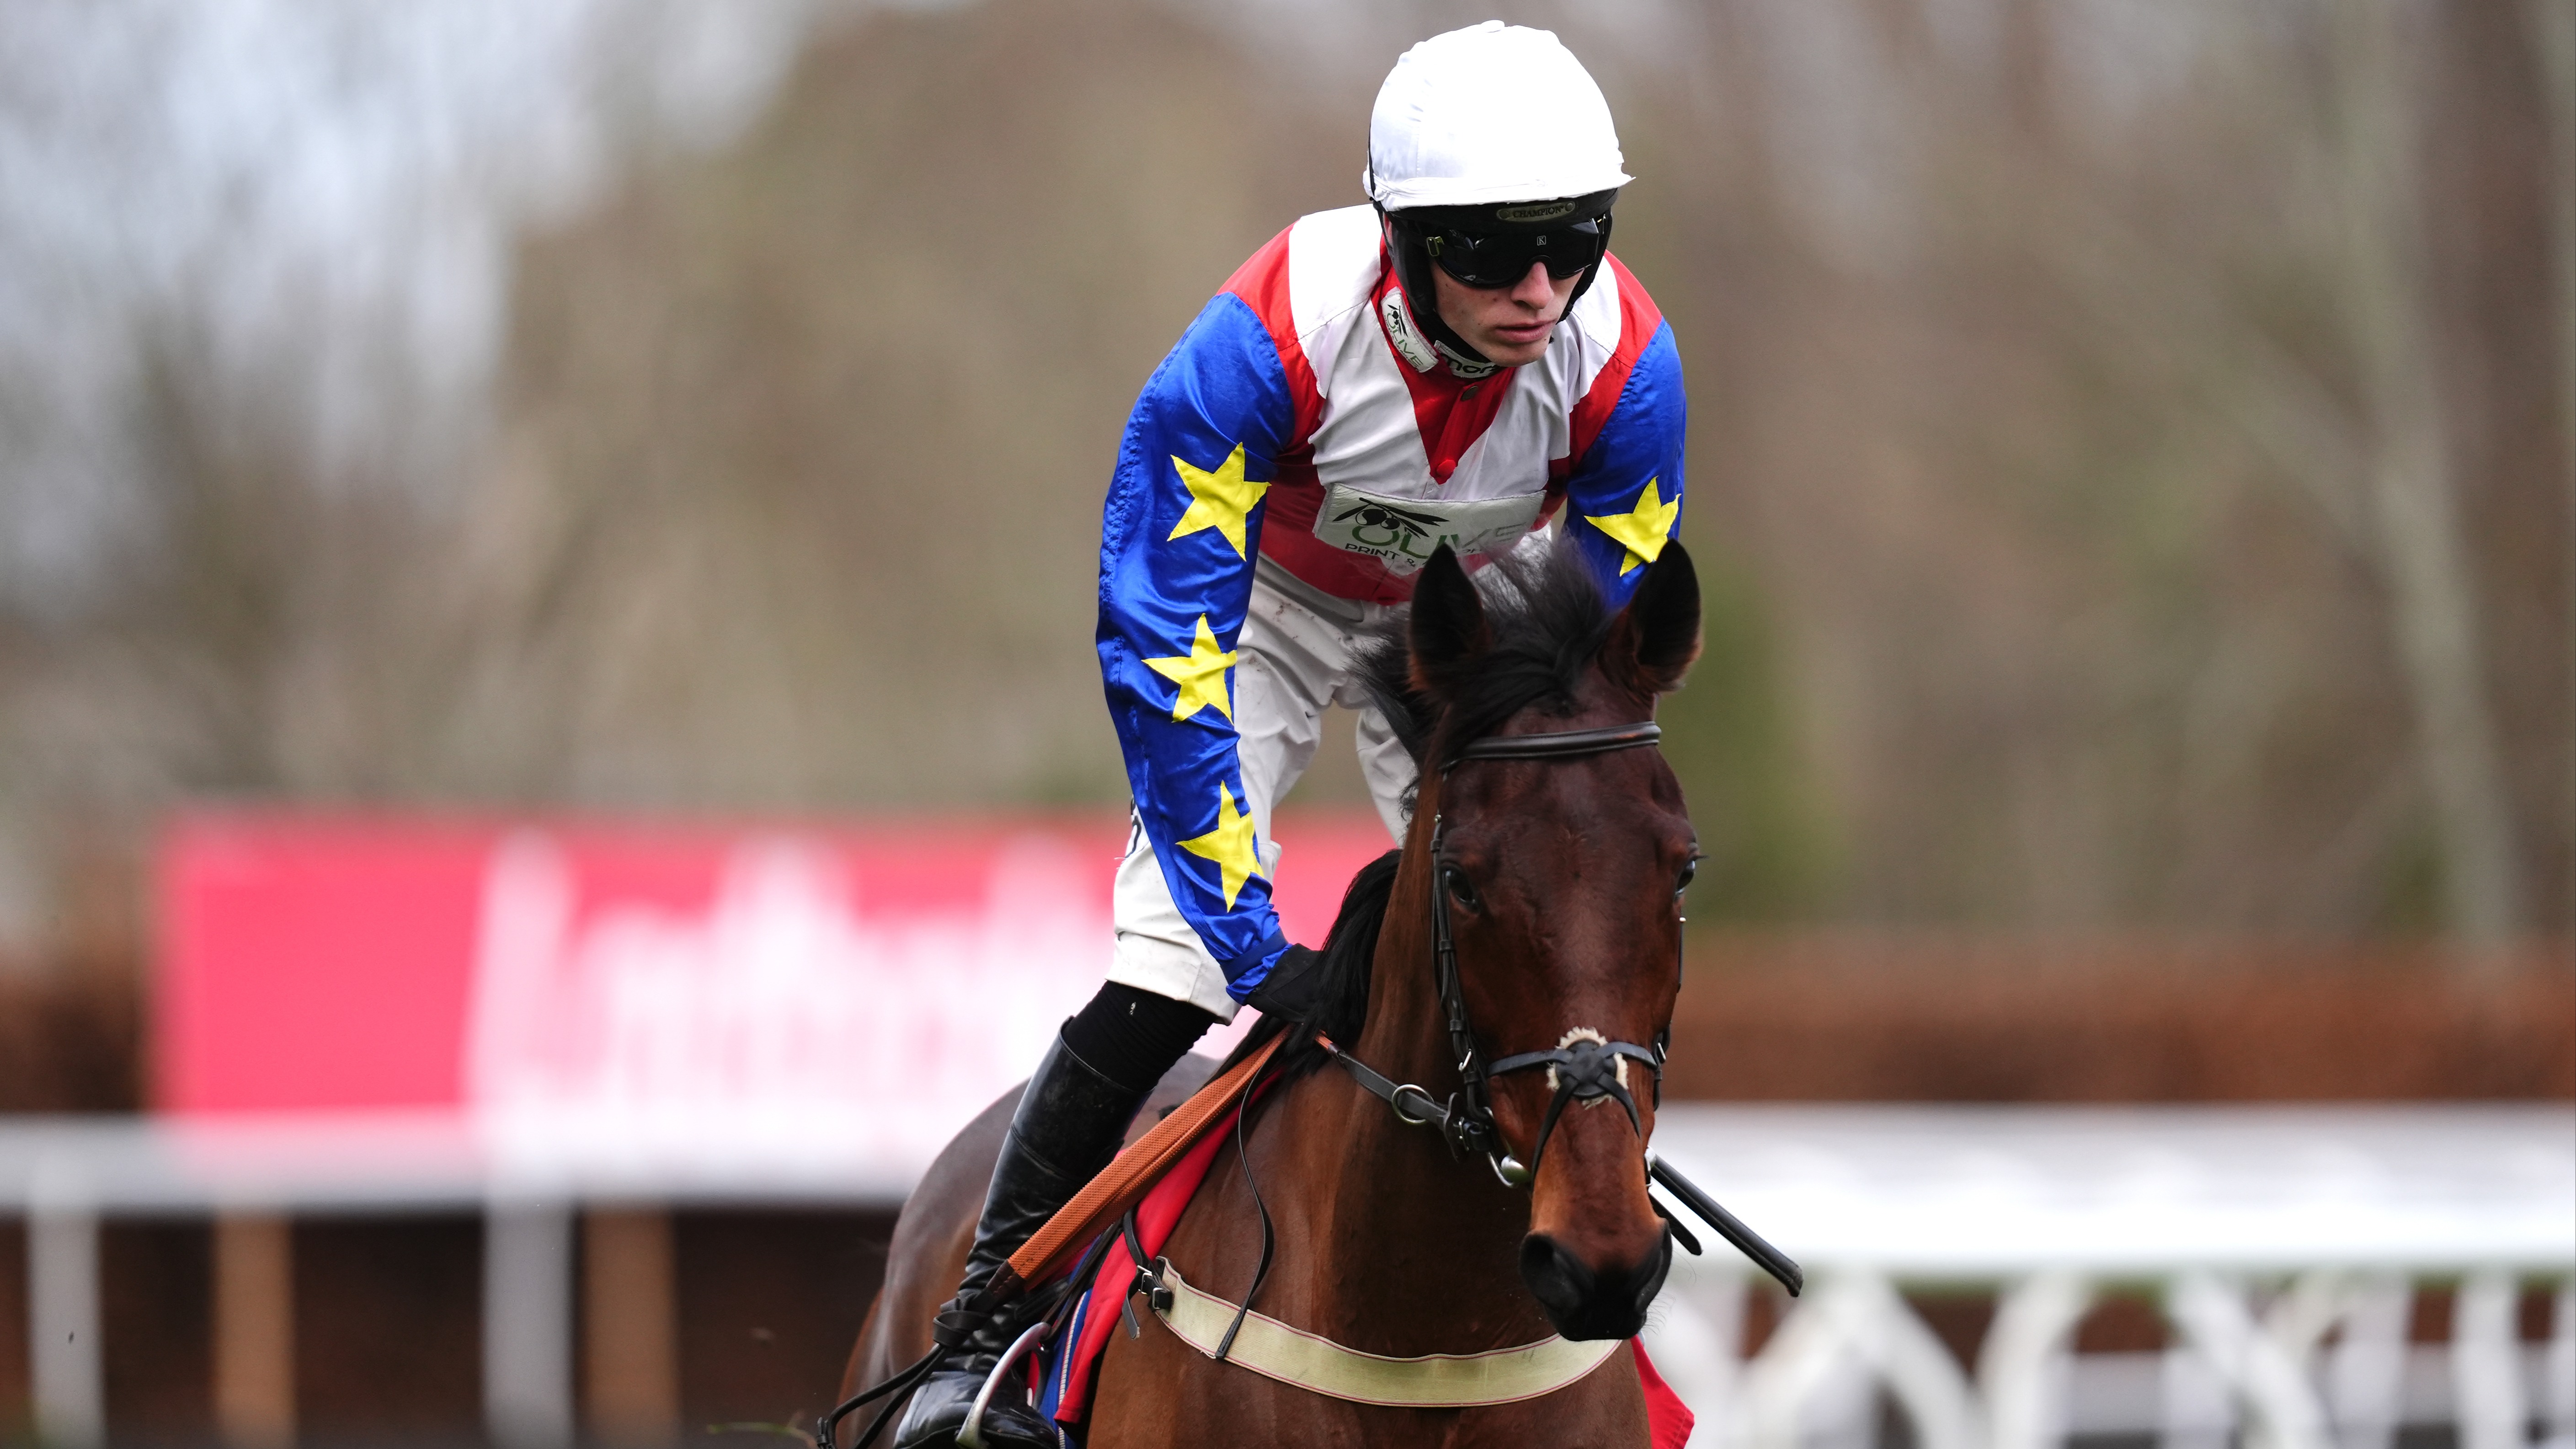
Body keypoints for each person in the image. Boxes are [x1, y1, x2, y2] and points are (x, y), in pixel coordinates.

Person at [893, 21, 1687, 1447]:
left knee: (1551, 929)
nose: (1540, 290)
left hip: (1470, 626)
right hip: (1247, 612)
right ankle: (977, 1335)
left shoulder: (1627, 367)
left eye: (1575, 241)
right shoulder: (1260, 346)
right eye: (1494, 250)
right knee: (1173, 970)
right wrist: (1253, 946)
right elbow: (1166, 649)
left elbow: (1592, 681)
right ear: (1403, 241)